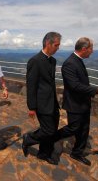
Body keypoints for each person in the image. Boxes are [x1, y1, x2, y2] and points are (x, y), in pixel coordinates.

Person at [52, 37, 98, 166]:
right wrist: (97, 90)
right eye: (91, 49)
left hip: (83, 103)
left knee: (84, 129)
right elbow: (75, 86)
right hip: (75, 104)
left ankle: (77, 153)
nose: (92, 52)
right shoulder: (70, 63)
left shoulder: (77, 60)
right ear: (84, 49)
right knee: (73, 128)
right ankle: (52, 137)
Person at [22, 32, 62, 165]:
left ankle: (44, 153)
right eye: (56, 45)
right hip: (41, 103)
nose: (58, 48)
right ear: (48, 43)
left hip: (52, 102)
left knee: (53, 130)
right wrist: (31, 107)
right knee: (48, 130)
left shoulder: (53, 60)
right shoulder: (35, 61)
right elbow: (31, 85)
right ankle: (29, 138)